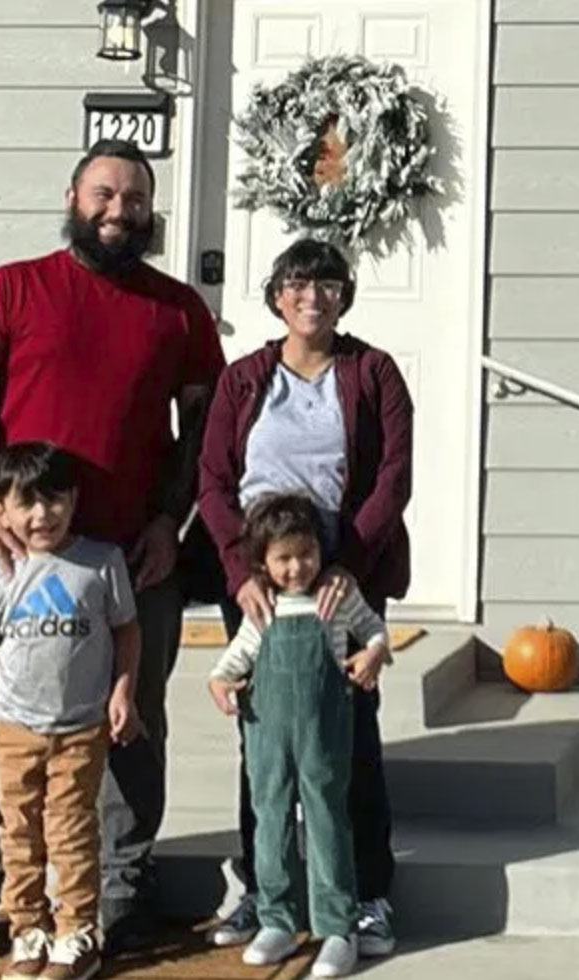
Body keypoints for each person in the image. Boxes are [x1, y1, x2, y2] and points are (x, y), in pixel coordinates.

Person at [0, 139, 226, 962]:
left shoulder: (178, 311)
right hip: (11, 556)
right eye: (104, 194)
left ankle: (122, 890)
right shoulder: (13, 288)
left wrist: (170, 522)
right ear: (73, 197)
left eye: (135, 199)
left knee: (133, 718)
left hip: (134, 558)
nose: (119, 211)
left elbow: (203, 423)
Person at [198, 238, 413, 957]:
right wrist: (241, 571)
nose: (312, 296)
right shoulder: (244, 380)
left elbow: (393, 475)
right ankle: (266, 893)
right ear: (276, 296)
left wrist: (348, 564)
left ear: (343, 295)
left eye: (326, 284)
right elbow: (213, 481)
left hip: (340, 567)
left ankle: (367, 894)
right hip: (260, 574)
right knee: (263, 741)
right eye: (297, 282)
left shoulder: (372, 372)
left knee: (348, 736)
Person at [0, 443, 142, 980]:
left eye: (54, 500)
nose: (41, 515)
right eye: (25, 503)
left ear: (73, 500)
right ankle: (28, 929)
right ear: (1, 510)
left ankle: (77, 932)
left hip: (80, 729)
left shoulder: (101, 562)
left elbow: (127, 631)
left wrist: (123, 692)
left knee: (71, 831)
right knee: (19, 833)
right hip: (14, 730)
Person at [207, 494, 391, 977]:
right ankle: (278, 920)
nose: (296, 568)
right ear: (263, 562)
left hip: (322, 734)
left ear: (320, 550)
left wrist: (372, 653)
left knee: (327, 819)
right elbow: (237, 656)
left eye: (305, 554)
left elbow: (374, 631)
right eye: (283, 558)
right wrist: (220, 682)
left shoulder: (336, 599)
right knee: (271, 822)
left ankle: (338, 926)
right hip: (267, 735)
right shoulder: (263, 607)